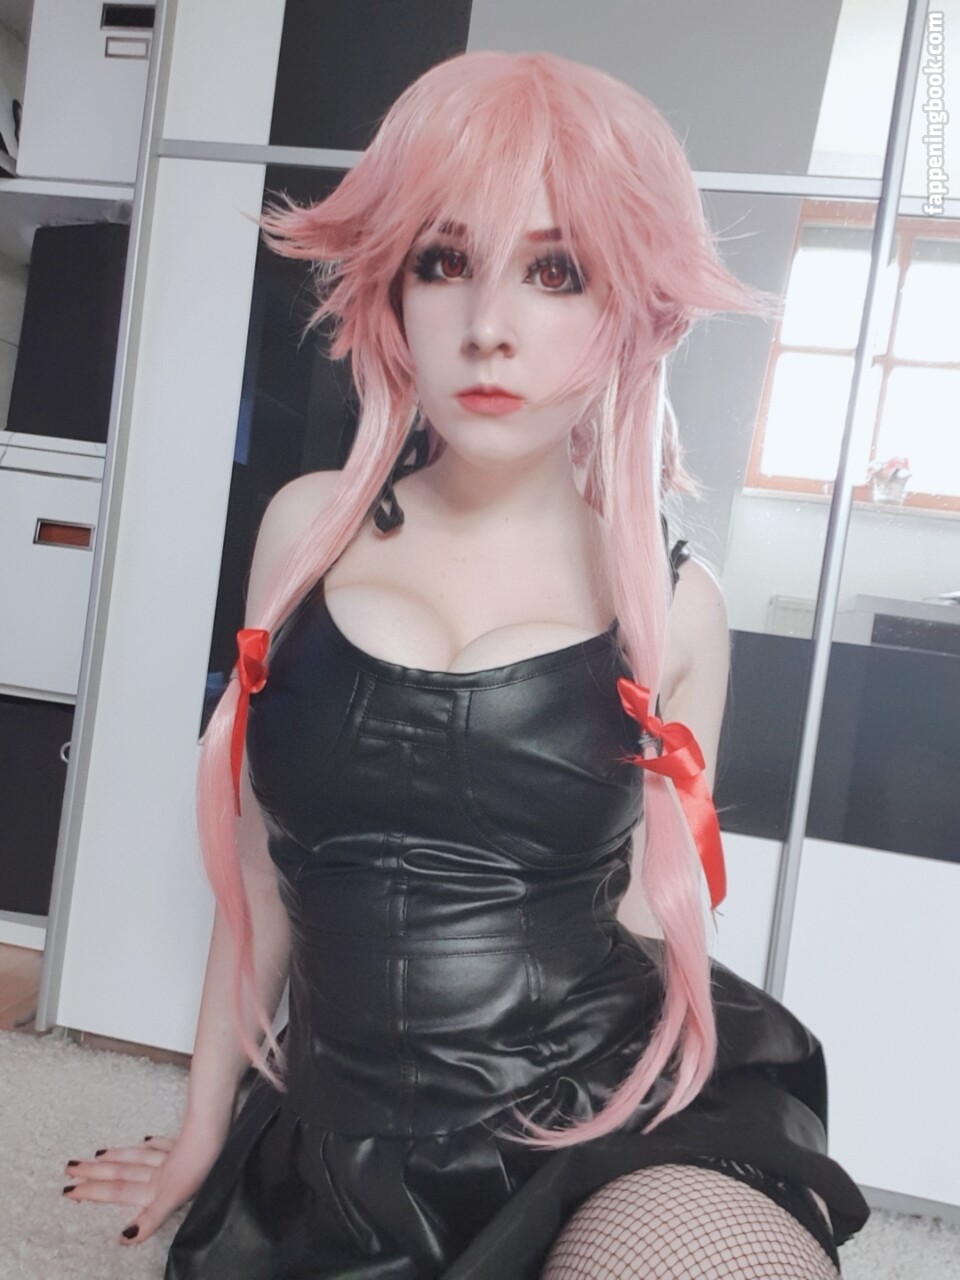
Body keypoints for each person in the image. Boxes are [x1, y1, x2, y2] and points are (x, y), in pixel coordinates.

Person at [63, 50, 869, 1277]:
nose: (489, 325)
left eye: (555, 270)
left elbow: (642, 907)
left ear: (628, 306)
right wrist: (201, 1128)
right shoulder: (304, 531)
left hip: (602, 1111)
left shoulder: (673, 604)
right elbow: (258, 877)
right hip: (346, 1140)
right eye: (445, 262)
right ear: (392, 289)